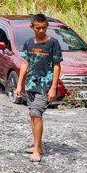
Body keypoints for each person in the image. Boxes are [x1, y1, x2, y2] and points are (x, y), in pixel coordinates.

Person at [15, 14, 62, 163]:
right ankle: (38, 146)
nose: (41, 30)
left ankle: (37, 150)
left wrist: (53, 87)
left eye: (44, 27)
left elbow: (56, 65)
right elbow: (25, 64)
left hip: (45, 86)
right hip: (30, 84)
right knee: (32, 114)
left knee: (37, 114)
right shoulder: (29, 43)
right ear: (32, 27)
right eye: (38, 28)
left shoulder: (53, 43)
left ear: (47, 26)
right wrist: (19, 85)